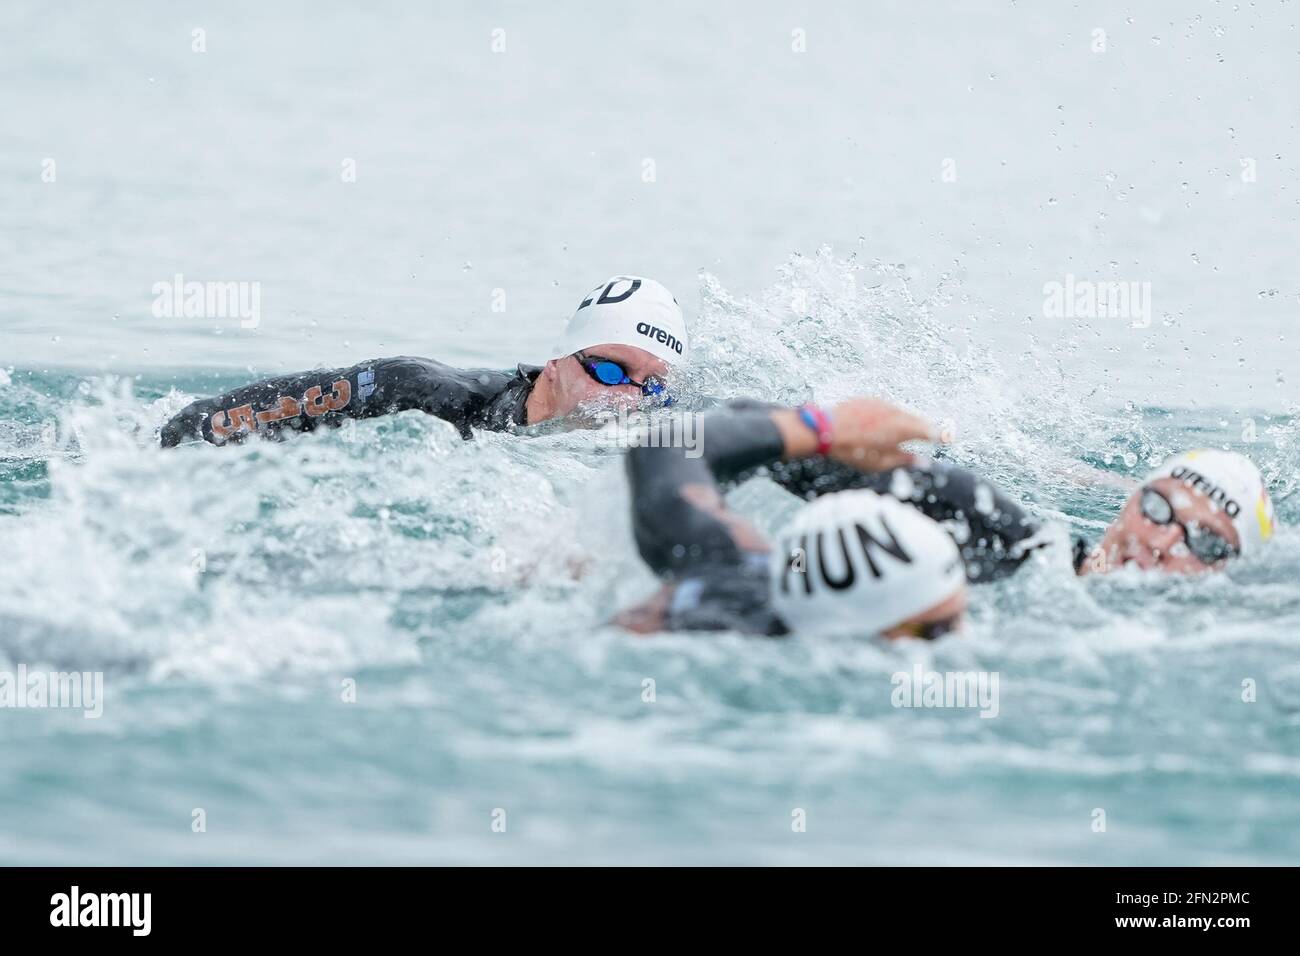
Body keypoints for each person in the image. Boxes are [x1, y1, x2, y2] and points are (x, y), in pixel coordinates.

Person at [616, 398, 1042, 638]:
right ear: (893, 633)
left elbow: (671, 446)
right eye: (945, 625)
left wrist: (822, 430)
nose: (965, 632)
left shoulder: (732, 584)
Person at [159, 275, 687, 446]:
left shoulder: (656, 435)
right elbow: (199, 425)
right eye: (612, 370)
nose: (628, 397)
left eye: (652, 386)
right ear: (556, 361)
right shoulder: (420, 392)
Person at [1074, 449, 1276, 575]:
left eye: (1206, 542)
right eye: (1157, 508)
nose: (1160, 543)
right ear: (1131, 501)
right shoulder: (1045, 557)